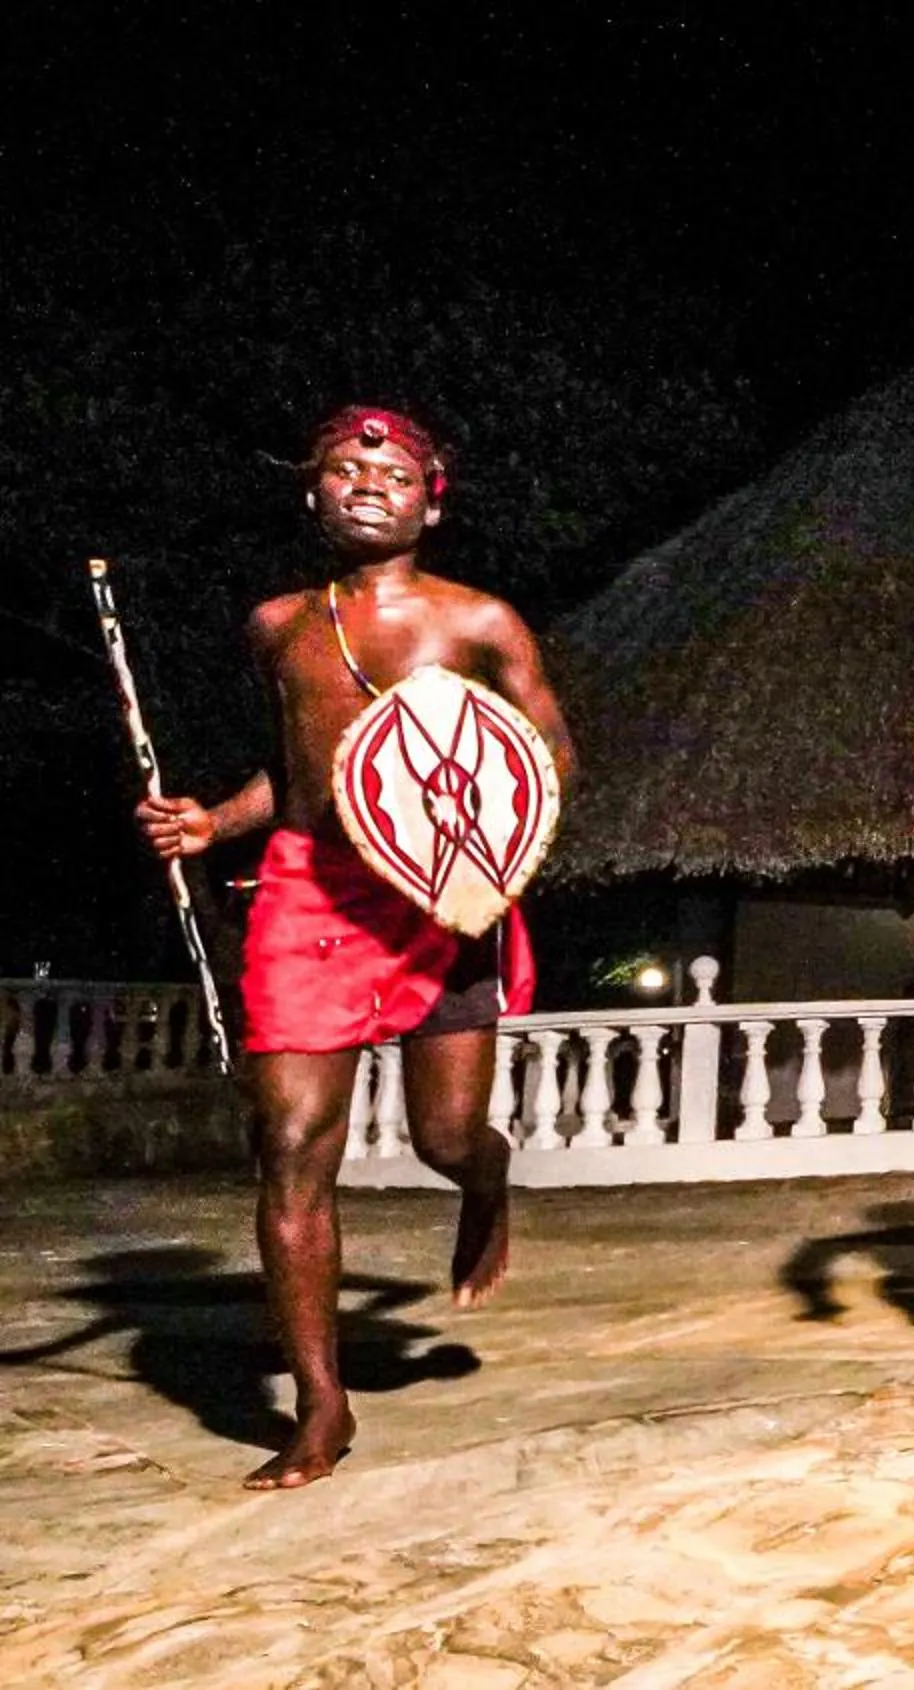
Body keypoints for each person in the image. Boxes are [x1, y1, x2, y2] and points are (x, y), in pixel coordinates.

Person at [139, 406, 575, 1489]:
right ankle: (321, 1407)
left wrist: (481, 841)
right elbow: (295, 772)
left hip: (444, 896)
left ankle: (487, 1180)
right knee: (290, 1140)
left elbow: (546, 756)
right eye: (342, 467)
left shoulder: (482, 622)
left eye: (392, 470)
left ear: (435, 498)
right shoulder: (280, 623)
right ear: (312, 494)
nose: (365, 482)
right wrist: (211, 824)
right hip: (310, 892)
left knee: (443, 1134)